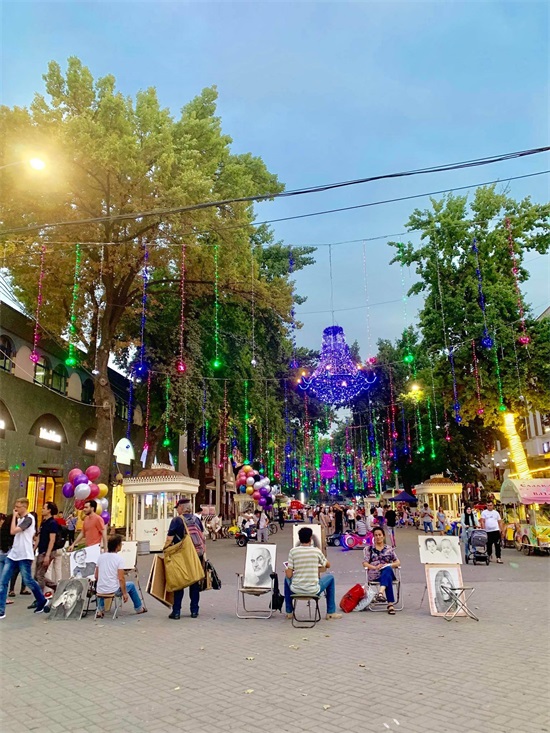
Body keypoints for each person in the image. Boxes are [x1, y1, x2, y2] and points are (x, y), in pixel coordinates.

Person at [0, 498, 50, 619]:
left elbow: (13, 531)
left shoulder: (29, 519)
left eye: (18, 507)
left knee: (28, 580)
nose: (15, 509)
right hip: (13, 554)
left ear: (24, 507)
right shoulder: (21, 519)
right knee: (3, 581)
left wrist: (14, 517)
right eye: (15, 506)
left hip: (24, 555)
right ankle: (1, 610)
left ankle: (42, 600)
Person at [284, 526, 341, 621]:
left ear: (299, 538)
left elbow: (289, 575)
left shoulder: (293, 551)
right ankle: (331, 612)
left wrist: (287, 570)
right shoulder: (316, 551)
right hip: (313, 590)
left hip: (296, 589)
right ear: (311, 538)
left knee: (286, 579)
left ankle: (289, 611)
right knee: (330, 578)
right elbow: (328, 565)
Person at [166, 499, 202, 620]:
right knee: (194, 582)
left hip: (180, 556)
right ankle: (194, 610)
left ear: (182, 507)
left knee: (179, 582)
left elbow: (169, 539)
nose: (177, 510)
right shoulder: (196, 519)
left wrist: (165, 550)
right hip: (195, 555)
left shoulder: (177, 520)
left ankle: (176, 612)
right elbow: (202, 537)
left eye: (177, 508)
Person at [95, 534, 146, 618]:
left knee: (103, 585)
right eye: (121, 544)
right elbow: (121, 578)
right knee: (131, 585)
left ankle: (100, 610)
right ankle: (139, 608)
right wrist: (125, 593)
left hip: (100, 590)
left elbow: (96, 576)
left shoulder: (101, 557)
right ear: (117, 546)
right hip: (113, 590)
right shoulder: (119, 559)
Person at [363, 526, 401, 615]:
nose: (378, 537)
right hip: (375, 575)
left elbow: (398, 562)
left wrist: (388, 565)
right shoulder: (369, 549)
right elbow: (365, 563)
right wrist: (375, 567)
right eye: (376, 535)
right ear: (374, 537)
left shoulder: (389, 549)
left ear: (383, 536)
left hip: (387, 571)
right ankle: (390, 605)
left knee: (387, 570)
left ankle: (380, 593)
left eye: (379, 535)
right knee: (387, 578)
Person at [33, 501, 60, 597]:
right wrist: (34, 549)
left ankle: (40, 597)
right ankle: (56, 587)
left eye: (44, 508)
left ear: (49, 510)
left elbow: (52, 540)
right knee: (36, 576)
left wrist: (48, 555)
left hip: (47, 551)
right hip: (41, 550)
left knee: (39, 575)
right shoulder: (44, 522)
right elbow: (39, 537)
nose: (42, 510)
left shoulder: (52, 523)